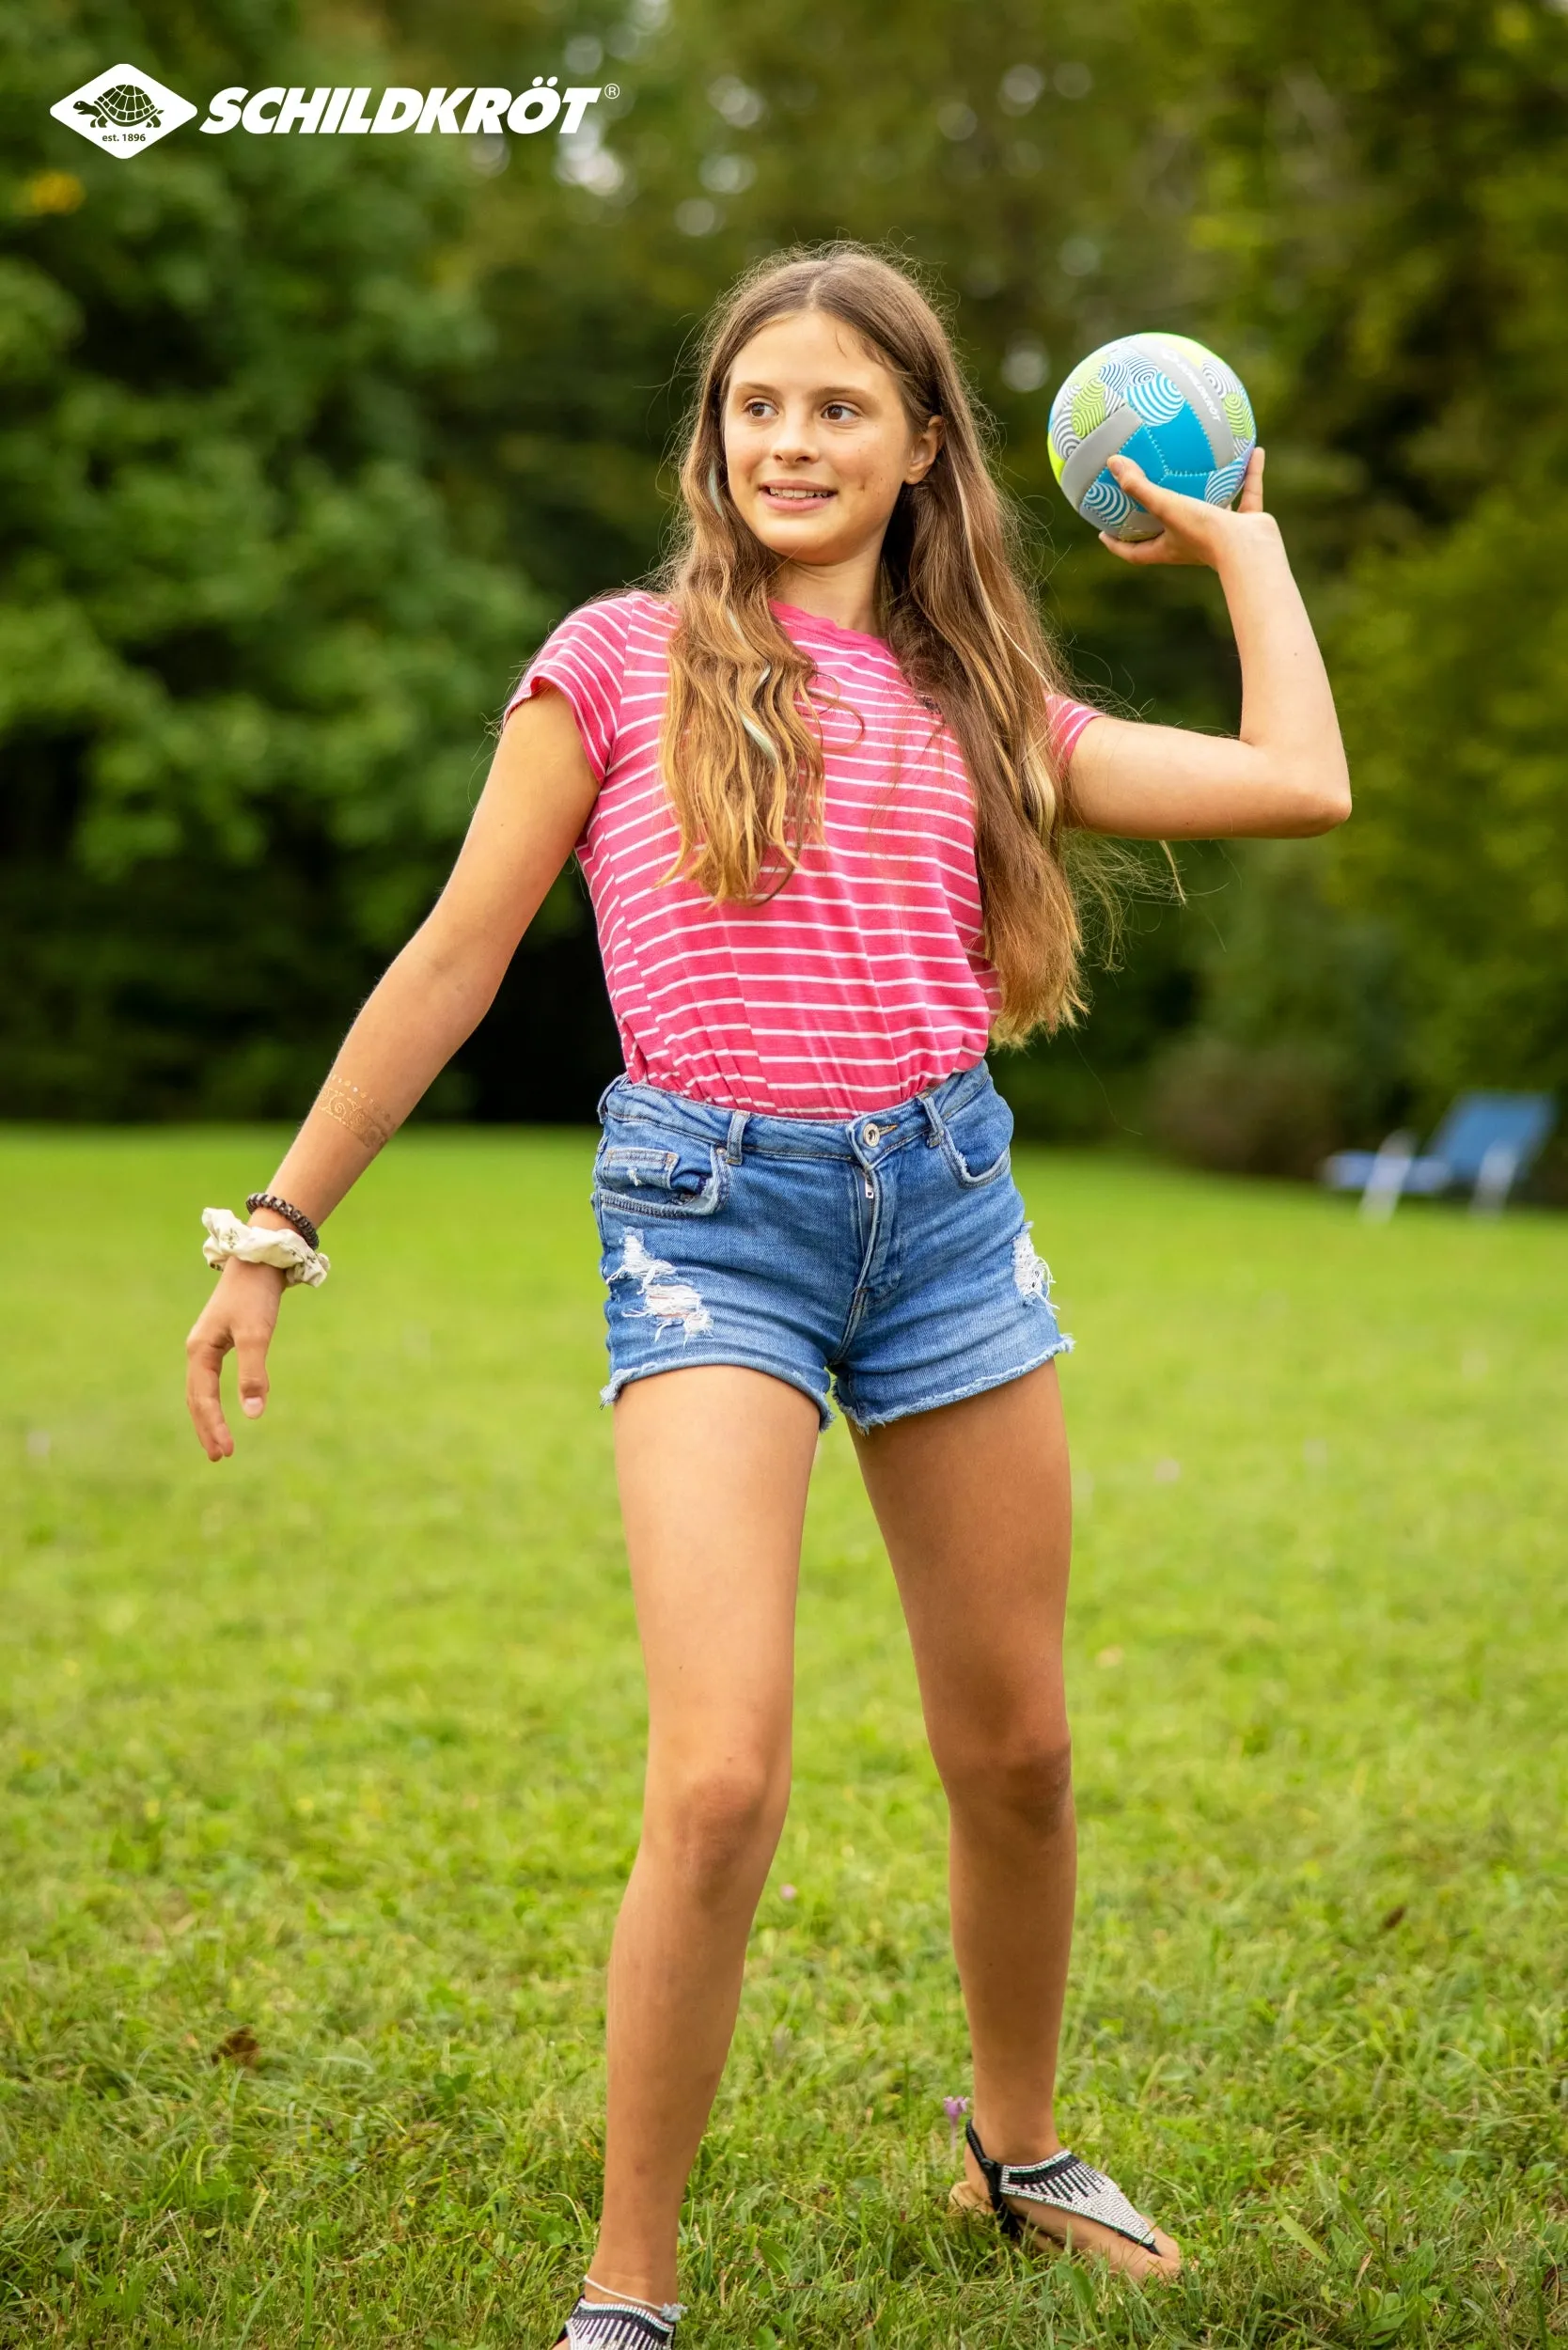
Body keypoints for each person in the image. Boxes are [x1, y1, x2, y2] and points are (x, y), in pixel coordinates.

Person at [185, 243, 1350, 2345]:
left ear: (922, 449)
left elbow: (1299, 783)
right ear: (714, 438)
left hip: (947, 1228)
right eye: (756, 404)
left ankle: (1016, 2138)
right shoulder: (616, 665)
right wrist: (279, 1221)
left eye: (838, 408)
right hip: (706, 1223)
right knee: (717, 1773)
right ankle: (629, 2282)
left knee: (1020, 1747)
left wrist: (1249, 551)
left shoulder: (990, 704)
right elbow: (453, 957)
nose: (789, 439)